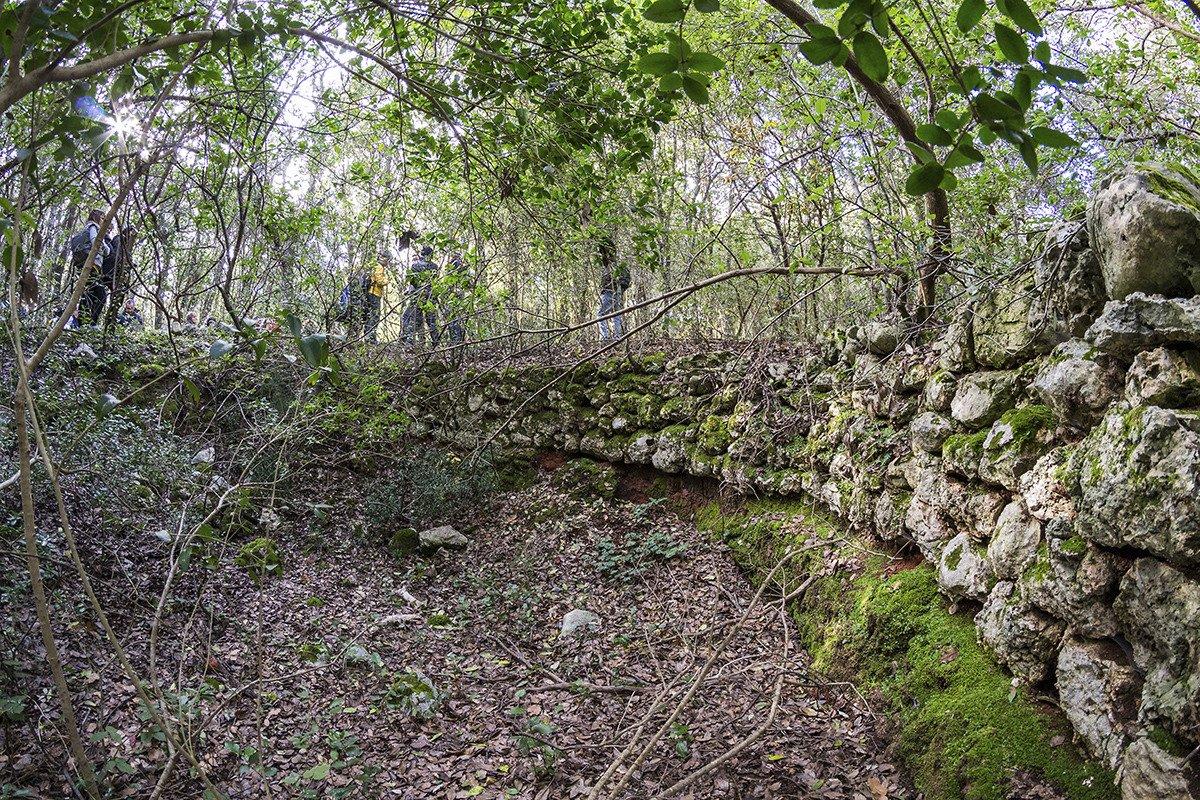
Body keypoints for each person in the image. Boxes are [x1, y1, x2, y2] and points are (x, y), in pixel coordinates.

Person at [70, 209, 112, 325]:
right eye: (102, 218)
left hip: (84, 264)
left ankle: (82, 324)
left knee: (88, 294)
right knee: (101, 295)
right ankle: (91, 324)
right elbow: (95, 242)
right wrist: (105, 247)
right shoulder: (93, 227)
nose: (104, 221)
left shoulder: (85, 229)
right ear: (96, 217)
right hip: (91, 265)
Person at [402, 245, 438, 347]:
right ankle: (436, 342)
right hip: (430, 295)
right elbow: (434, 282)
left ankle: (409, 343)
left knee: (413, 319)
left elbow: (412, 282)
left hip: (418, 295)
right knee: (431, 320)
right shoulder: (435, 266)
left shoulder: (415, 265)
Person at [598, 236, 629, 341]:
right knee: (616, 315)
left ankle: (605, 338)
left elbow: (624, 278)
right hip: (617, 292)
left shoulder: (612, 264)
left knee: (601, 314)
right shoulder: (612, 263)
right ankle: (617, 338)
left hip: (611, 292)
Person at [442, 251, 469, 345]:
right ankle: (456, 339)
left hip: (455, 294)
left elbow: (455, 279)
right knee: (453, 317)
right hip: (455, 293)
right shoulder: (459, 264)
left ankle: (456, 340)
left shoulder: (456, 263)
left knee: (453, 317)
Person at [362, 250, 388, 343]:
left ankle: (368, 337)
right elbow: (380, 281)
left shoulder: (374, 265)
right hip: (374, 294)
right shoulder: (379, 267)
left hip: (371, 293)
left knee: (370, 316)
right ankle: (370, 338)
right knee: (375, 316)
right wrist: (387, 279)